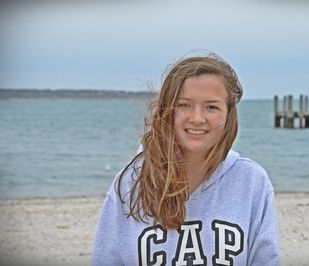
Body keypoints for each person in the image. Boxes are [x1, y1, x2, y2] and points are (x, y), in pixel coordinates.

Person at [92, 53, 279, 265]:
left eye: (211, 107)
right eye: (184, 105)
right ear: (167, 110)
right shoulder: (129, 183)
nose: (197, 118)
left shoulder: (252, 182)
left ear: (228, 114)